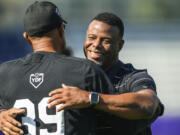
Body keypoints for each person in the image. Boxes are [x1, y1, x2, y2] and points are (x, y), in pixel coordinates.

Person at [0, 2, 115, 135]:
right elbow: (121, 118)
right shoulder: (85, 70)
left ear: (26, 37)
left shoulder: (5, 73)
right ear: (61, 30)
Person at [48, 12, 164, 135]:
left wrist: (90, 98)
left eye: (106, 41)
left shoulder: (133, 77)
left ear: (120, 45)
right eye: (92, 37)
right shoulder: (71, 76)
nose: (96, 45)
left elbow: (148, 104)